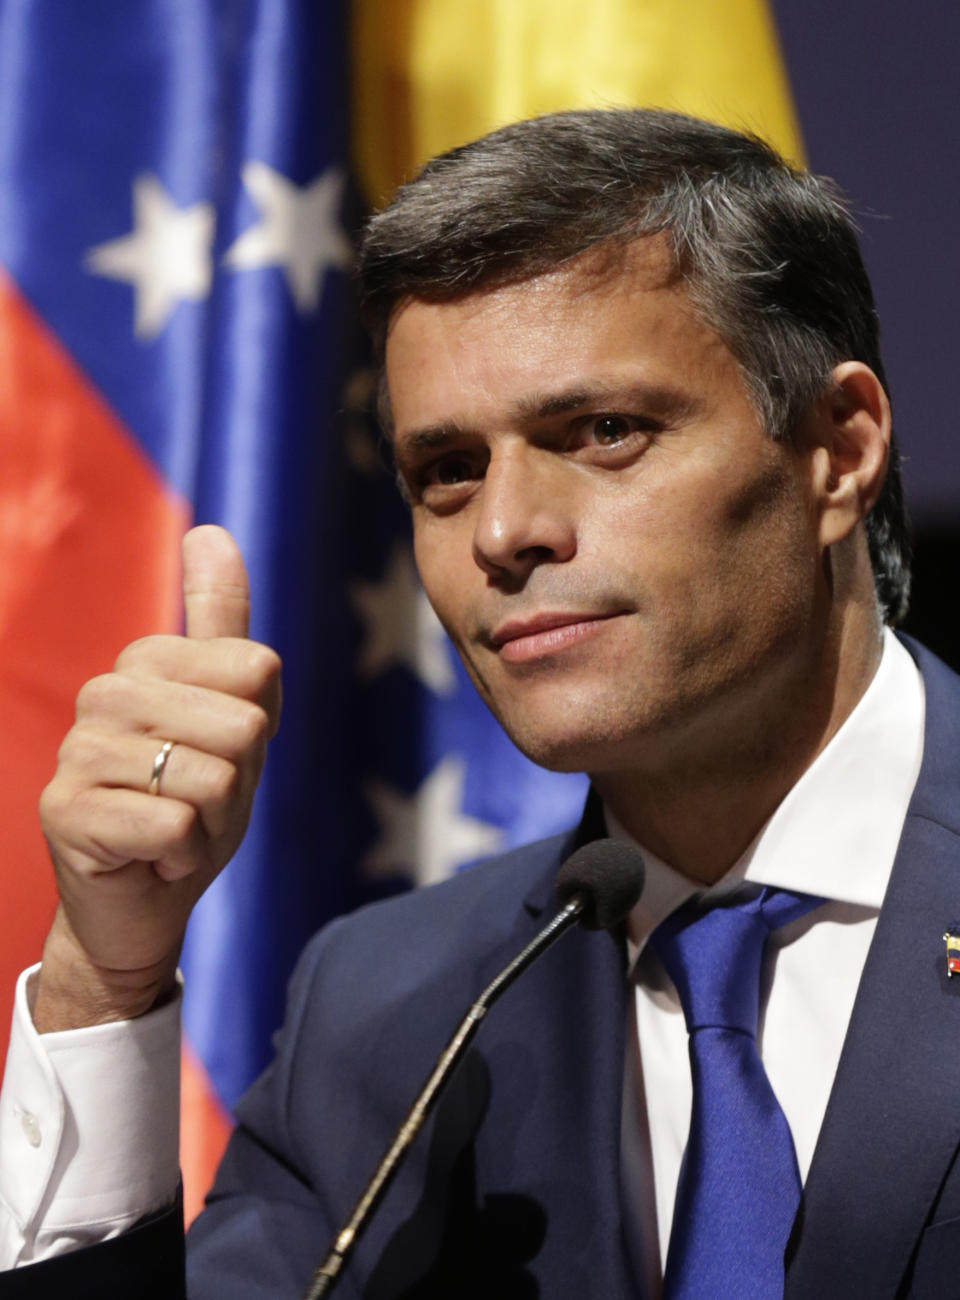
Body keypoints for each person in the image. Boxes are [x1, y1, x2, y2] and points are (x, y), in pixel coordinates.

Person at [0, 106, 956, 1298]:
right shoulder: (389, 1007)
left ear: (837, 447)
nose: (503, 534)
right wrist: (107, 978)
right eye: (448, 471)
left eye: (605, 432)